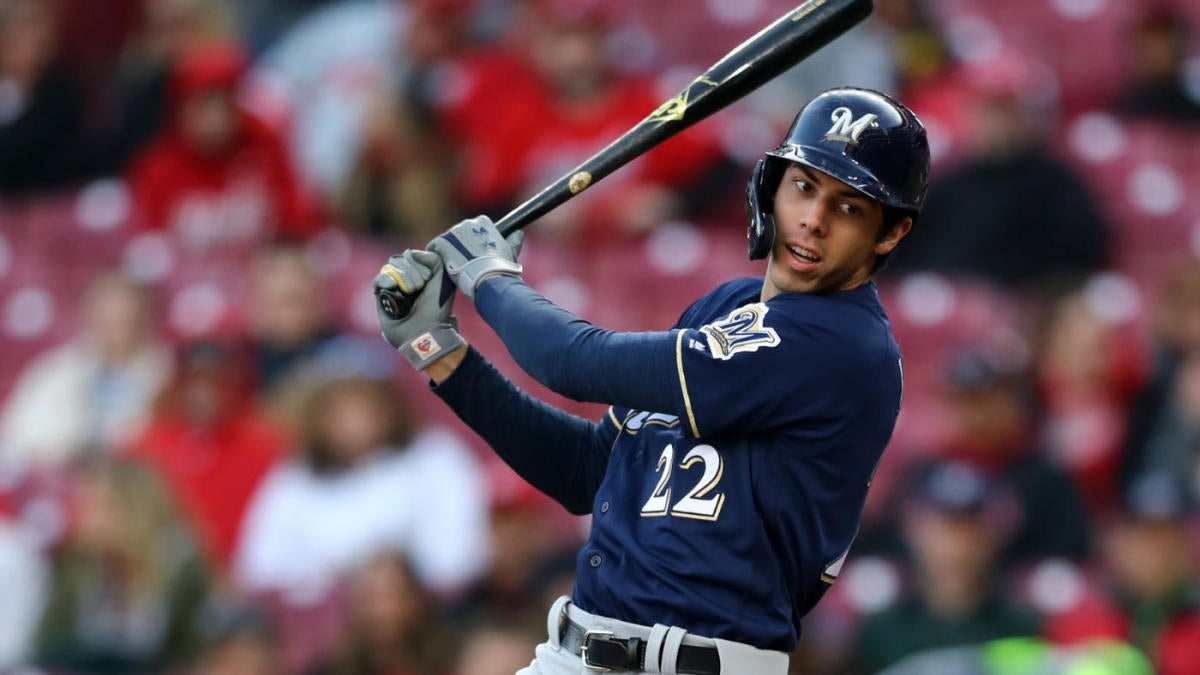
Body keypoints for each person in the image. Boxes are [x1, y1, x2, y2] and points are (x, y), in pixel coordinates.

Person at [371, 87, 930, 673]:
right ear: (772, 186)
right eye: (804, 186)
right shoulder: (728, 306)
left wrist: (490, 278)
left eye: (849, 207)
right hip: (573, 651)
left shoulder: (842, 345)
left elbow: (573, 362)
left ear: (890, 233)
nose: (813, 220)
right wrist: (438, 352)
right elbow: (587, 469)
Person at [848, 461, 1040, 674]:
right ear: (913, 530)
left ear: (992, 536)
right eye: (943, 530)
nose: (956, 548)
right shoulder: (881, 632)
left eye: (968, 531)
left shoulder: (1023, 626)